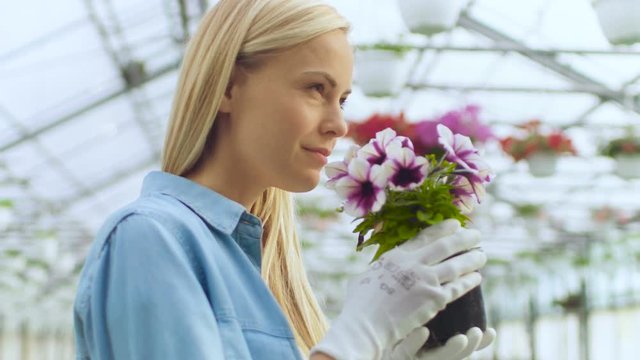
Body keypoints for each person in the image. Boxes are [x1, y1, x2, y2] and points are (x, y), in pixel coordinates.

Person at [73, 0, 495, 359]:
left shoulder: (257, 261)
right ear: (227, 87)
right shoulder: (150, 238)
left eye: (343, 99)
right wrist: (354, 341)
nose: (339, 124)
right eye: (316, 88)